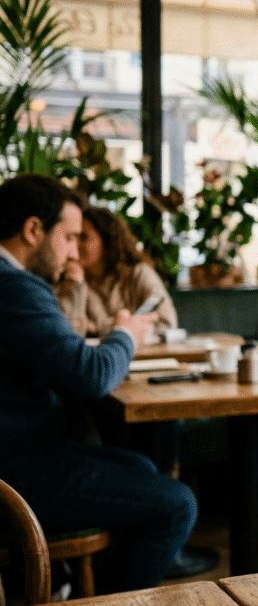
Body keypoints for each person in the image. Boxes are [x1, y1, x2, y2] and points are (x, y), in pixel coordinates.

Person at [0, 173, 197, 593]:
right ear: (33, 230)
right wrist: (126, 333)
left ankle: (80, 590)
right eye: (69, 237)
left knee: (141, 466)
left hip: (22, 451)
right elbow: (92, 375)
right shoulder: (13, 286)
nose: (74, 252)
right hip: (13, 472)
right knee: (177, 504)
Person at [54, 206, 177, 344]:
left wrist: (97, 327)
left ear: (106, 240)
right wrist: (74, 286)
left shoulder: (138, 273)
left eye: (83, 237)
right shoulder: (65, 278)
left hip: (139, 354)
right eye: (73, 237)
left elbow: (166, 323)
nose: (75, 244)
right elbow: (66, 333)